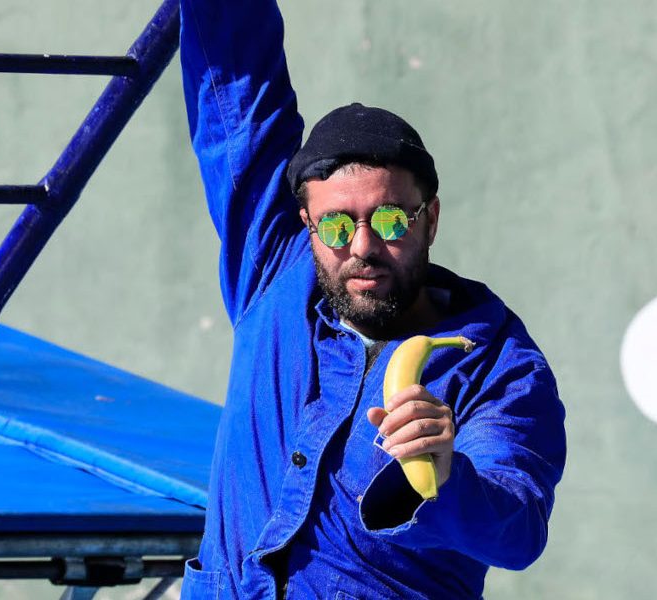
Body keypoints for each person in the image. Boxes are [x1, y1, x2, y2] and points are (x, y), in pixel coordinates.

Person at [179, 0, 567, 597]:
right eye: (335, 226)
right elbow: (235, 92)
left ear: (429, 219)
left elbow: (517, 528)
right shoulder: (273, 273)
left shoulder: (498, 364)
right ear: (306, 223)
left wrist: (448, 473)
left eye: (388, 220)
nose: (361, 246)